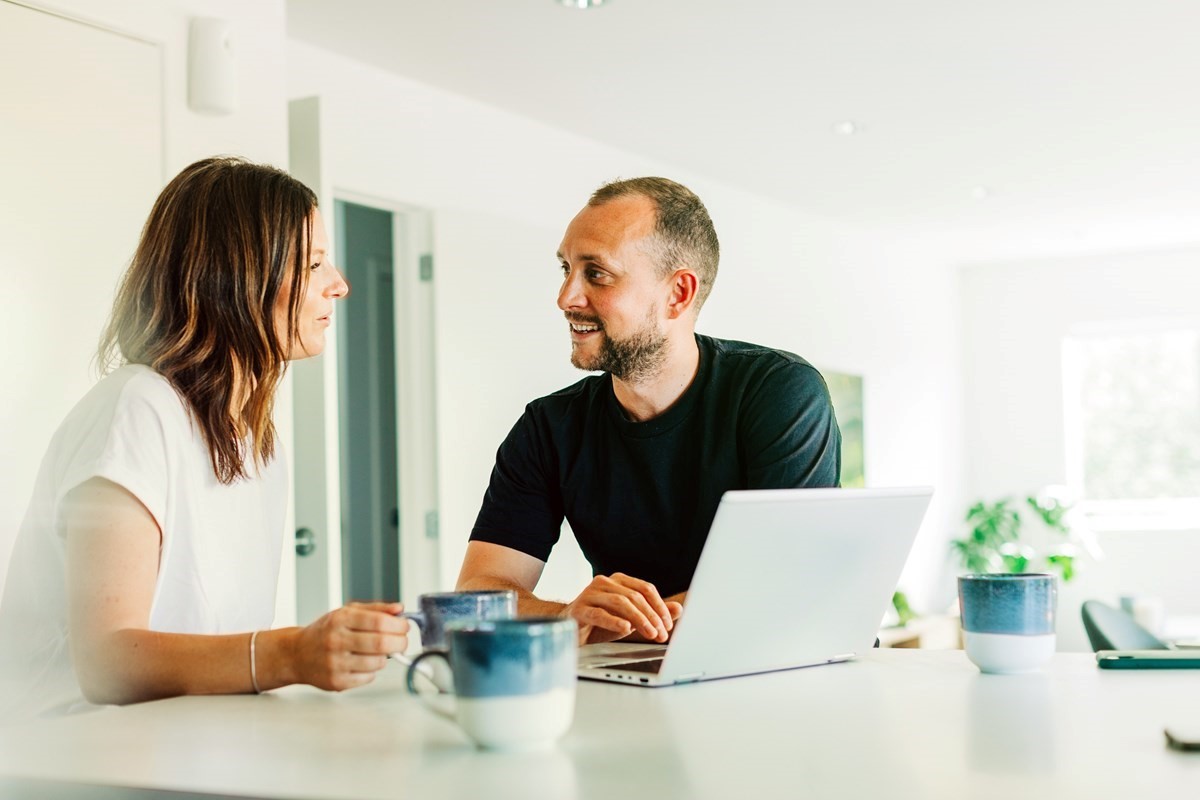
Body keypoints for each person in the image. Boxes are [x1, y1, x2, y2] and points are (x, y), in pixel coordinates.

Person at [0, 157, 409, 718]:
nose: (339, 284)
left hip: (182, 746)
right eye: (314, 264)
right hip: (71, 758)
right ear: (236, 278)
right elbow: (107, 663)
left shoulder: (260, 448)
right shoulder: (136, 410)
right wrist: (293, 653)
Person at [456, 177, 841, 645]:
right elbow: (477, 593)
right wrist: (567, 617)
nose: (566, 298)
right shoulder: (547, 429)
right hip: (636, 680)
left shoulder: (778, 392)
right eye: (566, 269)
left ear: (678, 293)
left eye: (596, 273)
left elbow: (776, 586)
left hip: (779, 669)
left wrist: (614, 630)